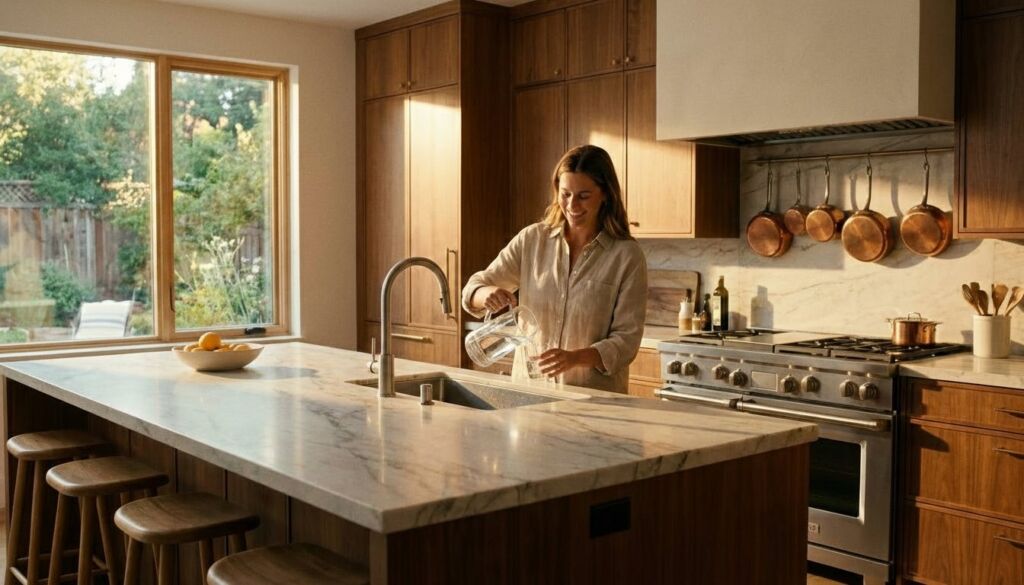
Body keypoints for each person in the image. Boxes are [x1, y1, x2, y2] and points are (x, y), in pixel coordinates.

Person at [462, 145, 647, 393]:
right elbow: (473, 289)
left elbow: (626, 342)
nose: (572, 205)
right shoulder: (531, 240)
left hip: (593, 398)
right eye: (565, 194)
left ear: (605, 194)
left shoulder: (626, 256)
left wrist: (575, 358)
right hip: (530, 393)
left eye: (583, 196)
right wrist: (487, 294)